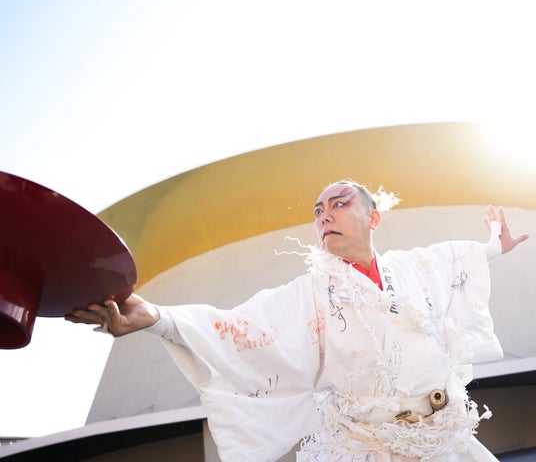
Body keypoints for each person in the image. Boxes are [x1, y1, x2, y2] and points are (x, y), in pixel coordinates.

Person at [65, 180, 529, 462]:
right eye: (318, 212)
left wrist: (494, 244)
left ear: (373, 218)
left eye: (339, 204)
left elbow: (458, 260)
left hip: (443, 441)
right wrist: (158, 319)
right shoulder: (307, 294)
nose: (325, 216)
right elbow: (239, 329)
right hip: (366, 447)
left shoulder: (415, 266)